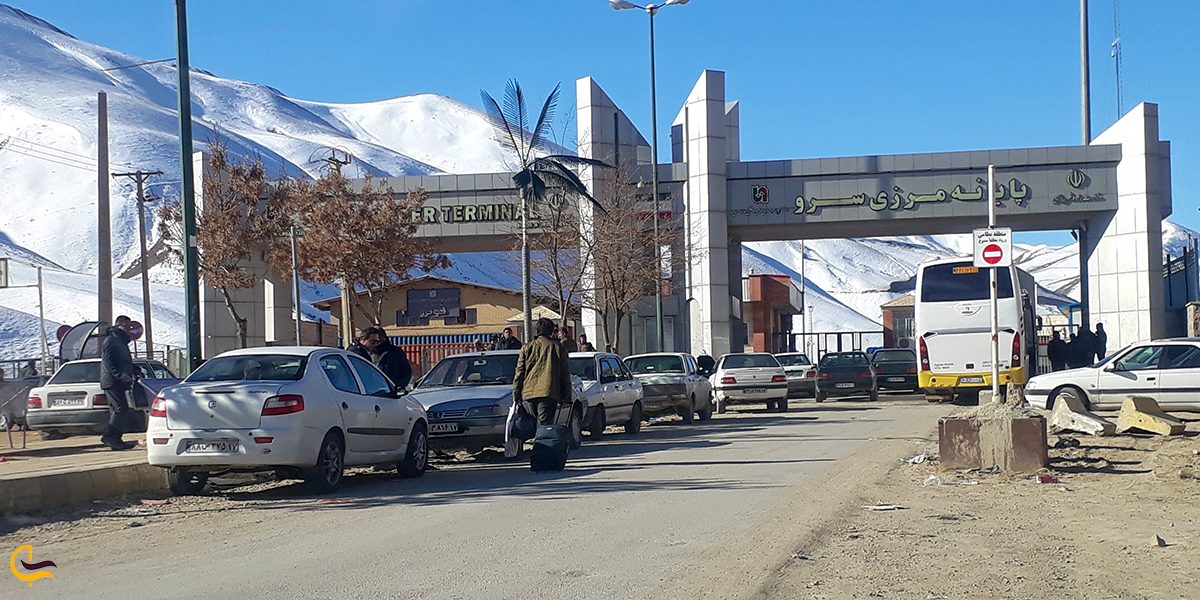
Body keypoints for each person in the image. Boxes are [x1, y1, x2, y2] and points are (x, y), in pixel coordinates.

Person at [512, 318, 572, 426]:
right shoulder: (557, 347)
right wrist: (567, 395)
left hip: (529, 393)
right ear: (551, 331)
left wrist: (516, 392)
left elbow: (519, 372)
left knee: (536, 424)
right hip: (548, 392)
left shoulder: (527, 347)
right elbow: (565, 373)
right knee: (545, 425)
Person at [100, 316, 138, 451]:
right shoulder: (112, 340)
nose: (129, 330)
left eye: (130, 327)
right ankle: (110, 437)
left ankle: (116, 439)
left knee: (118, 410)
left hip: (118, 382)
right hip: (113, 382)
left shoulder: (120, 341)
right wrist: (120, 375)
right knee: (120, 409)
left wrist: (135, 369)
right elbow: (108, 362)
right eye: (126, 326)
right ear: (119, 325)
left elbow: (123, 361)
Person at [349, 327, 413, 390]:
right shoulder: (361, 352)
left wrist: (397, 386)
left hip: (390, 388)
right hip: (371, 389)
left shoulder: (395, 352)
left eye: (377, 341)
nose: (376, 344)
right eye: (373, 341)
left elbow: (406, 371)